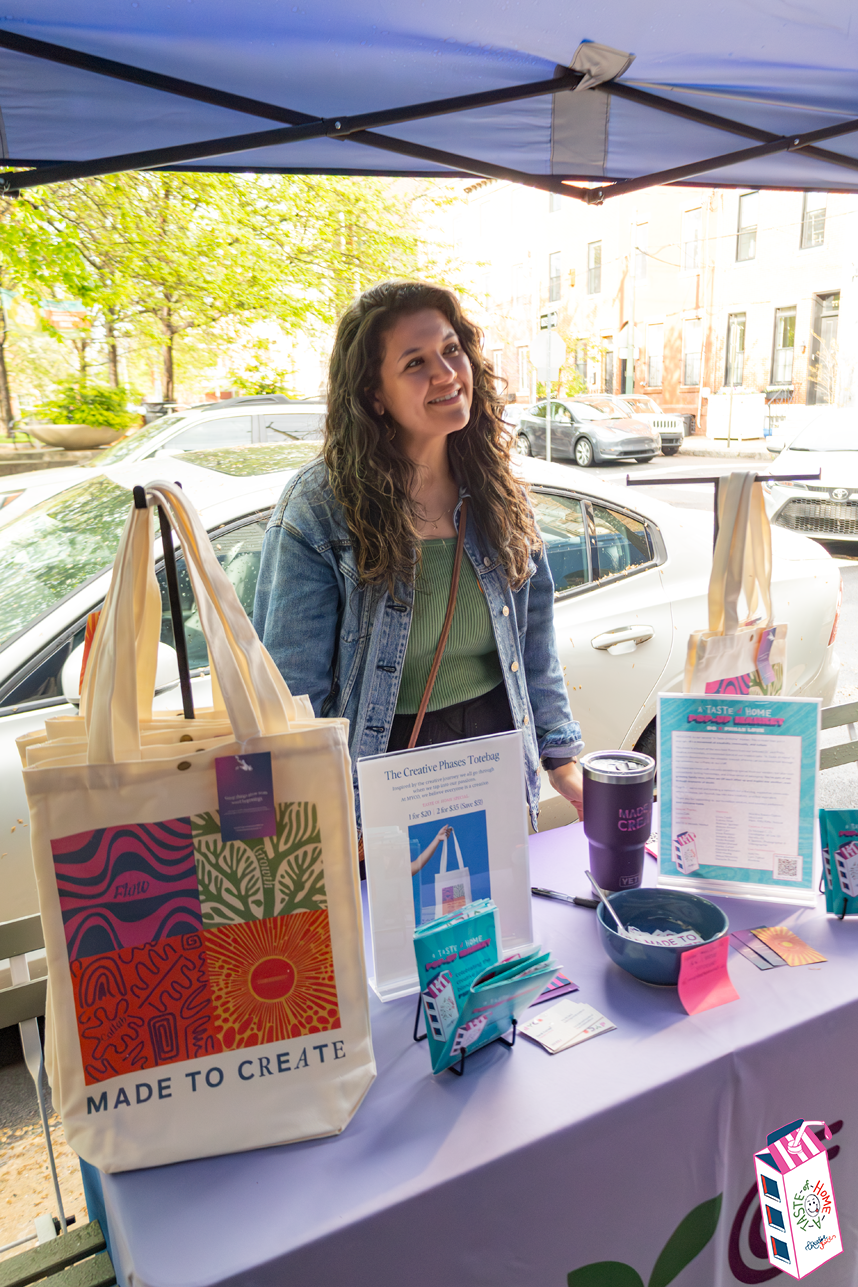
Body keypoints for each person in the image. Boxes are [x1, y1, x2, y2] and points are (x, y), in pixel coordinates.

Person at [253, 279, 584, 833]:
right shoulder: (320, 508)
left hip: (491, 753)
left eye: (451, 350)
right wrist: (322, 817)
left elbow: (534, 644)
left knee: (491, 916)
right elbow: (294, 693)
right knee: (391, 922)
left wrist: (561, 757)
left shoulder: (498, 490)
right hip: (378, 768)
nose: (446, 374)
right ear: (374, 394)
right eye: (415, 362)